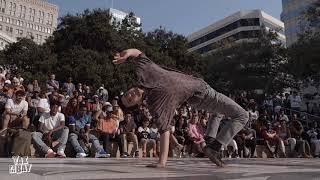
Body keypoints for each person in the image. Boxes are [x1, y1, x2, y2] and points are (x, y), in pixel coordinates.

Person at [113, 48, 248, 167]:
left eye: (127, 94)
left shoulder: (145, 73)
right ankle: (215, 147)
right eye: (130, 100)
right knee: (242, 116)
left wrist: (126, 54)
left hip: (199, 90)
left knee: (218, 113)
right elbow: (164, 131)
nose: (131, 95)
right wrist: (162, 162)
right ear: (137, 104)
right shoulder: (155, 102)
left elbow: (137, 53)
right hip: (203, 95)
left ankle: (210, 141)